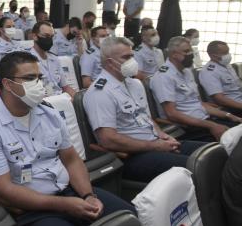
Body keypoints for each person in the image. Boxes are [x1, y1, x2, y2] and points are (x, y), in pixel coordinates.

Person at [0, 51, 135, 226]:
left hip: (71, 192)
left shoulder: (48, 112)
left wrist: (87, 194)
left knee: (129, 220)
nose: (38, 84)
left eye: (39, 77)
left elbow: (71, 159)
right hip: (32, 209)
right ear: (8, 85)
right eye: (29, 78)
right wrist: (64, 205)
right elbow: (3, 190)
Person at [83, 37, 208, 182]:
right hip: (133, 156)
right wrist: (155, 146)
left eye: (132, 56)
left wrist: (163, 136)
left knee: (212, 154)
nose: (132, 62)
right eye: (126, 57)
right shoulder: (100, 92)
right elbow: (108, 139)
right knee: (200, 167)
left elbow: (146, 118)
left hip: (155, 143)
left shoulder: (135, 84)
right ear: (110, 62)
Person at [150, 36, 241, 141]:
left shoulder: (187, 71)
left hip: (204, 120)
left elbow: (199, 104)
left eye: (191, 50)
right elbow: (172, 114)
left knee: (238, 127)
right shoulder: (163, 77)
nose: (191, 54)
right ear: (174, 54)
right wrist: (211, 126)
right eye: (186, 51)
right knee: (235, 140)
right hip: (188, 127)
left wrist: (229, 115)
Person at [29, 21, 76, 98]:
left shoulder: (55, 59)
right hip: (44, 101)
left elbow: (65, 87)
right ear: (35, 36)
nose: (49, 40)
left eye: (51, 37)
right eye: (46, 36)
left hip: (60, 98)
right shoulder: (28, 60)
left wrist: (78, 99)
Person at [199, 41, 242, 114]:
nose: (228, 55)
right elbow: (220, 99)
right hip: (232, 108)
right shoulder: (209, 72)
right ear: (213, 56)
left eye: (228, 52)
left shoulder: (227, 65)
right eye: (225, 53)